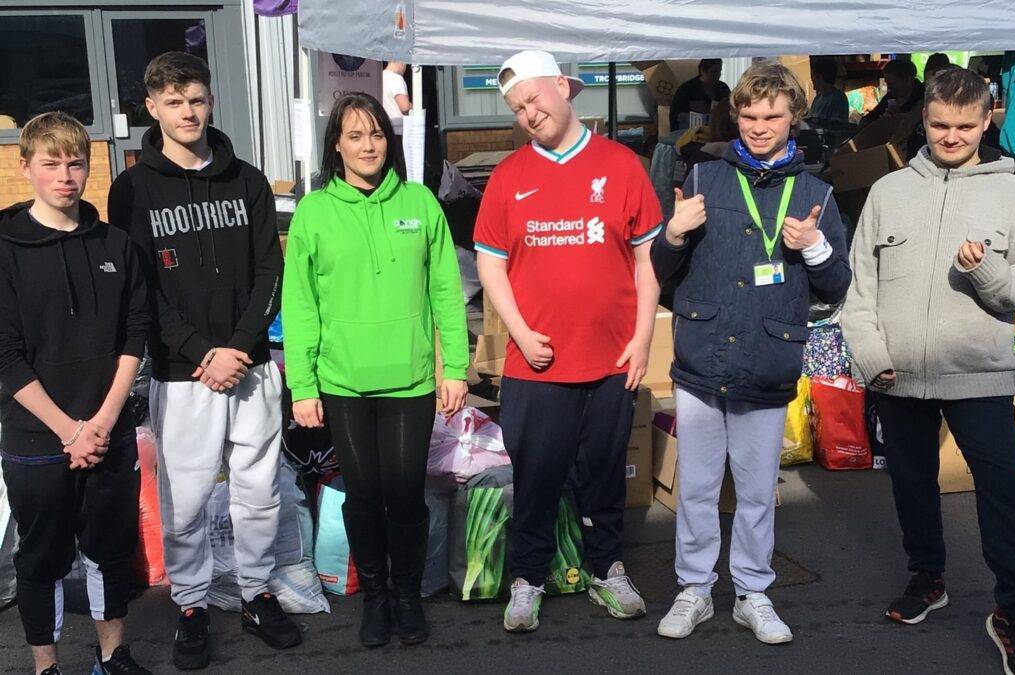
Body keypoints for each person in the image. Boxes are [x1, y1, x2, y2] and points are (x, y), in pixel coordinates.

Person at [842, 67, 1015, 675]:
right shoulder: (888, 193)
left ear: (988, 121)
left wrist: (986, 271)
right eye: (939, 125)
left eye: (965, 125)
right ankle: (927, 577)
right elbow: (861, 290)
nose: (951, 136)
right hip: (897, 376)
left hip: (978, 376)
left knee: (1004, 496)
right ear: (923, 121)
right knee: (911, 485)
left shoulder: (1013, 194)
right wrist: (874, 360)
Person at [107, 51, 301, 670]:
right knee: (186, 498)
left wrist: (239, 349)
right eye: (174, 102)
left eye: (196, 99)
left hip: (249, 366)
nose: (187, 112)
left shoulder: (246, 180)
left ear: (210, 101)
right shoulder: (133, 188)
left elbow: (270, 268)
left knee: (259, 490)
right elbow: (139, 288)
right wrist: (199, 352)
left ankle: (256, 592)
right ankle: (190, 604)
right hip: (181, 372)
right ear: (152, 108)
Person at [651, 62, 851, 643]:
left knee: (759, 489)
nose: (759, 126)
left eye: (772, 116)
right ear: (734, 116)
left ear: (794, 119)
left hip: (768, 357)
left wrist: (814, 249)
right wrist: (673, 234)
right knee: (695, 486)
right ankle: (693, 588)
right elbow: (660, 275)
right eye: (749, 115)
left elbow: (837, 287)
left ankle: (752, 592)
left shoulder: (815, 194)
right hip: (702, 357)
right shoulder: (704, 178)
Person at [474, 49, 662, 633]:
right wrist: (522, 333)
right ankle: (527, 578)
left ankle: (607, 568)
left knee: (604, 474)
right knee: (536, 476)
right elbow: (490, 265)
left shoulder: (621, 164)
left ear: (562, 86)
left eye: (534, 98)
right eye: (517, 108)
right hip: (536, 363)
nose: (529, 113)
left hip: (609, 358)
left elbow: (646, 258)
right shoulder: (509, 177)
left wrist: (643, 335)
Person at [283, 92, 469, 647]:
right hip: (343, 384)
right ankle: (379, 597)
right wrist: (303, 384)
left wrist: (454, 367)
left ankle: (408, 595)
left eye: (377, 135)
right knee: (362, 496)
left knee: (406, 494)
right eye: (355, 135)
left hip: (411, 380)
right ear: (335, 145)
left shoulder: (419, 202)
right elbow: (300, 305)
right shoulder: (314, 212)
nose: (369, 146)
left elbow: (447, 292)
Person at [0, 112, 151, 674]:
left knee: (111, 550)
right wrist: (68, 430)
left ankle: (113, 654)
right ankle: (46, 665)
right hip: (37, 434)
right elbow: (5, 355)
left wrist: (102, 424)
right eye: (51, 163)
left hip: (106, 429)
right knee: (40, 558)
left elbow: (134, 336)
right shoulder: (6, 247)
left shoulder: (115, 243)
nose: (66, 175)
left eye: (76, 162)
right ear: (26, 168)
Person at [860, 58, 924, 127]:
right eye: (887, 84)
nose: (889, 88)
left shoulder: (923, 96)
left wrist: (899, 117)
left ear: (908, 80)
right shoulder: (890, 96)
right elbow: (871, 117)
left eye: (892, 84)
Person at [670, 58, 726, 132]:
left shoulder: (723, 88)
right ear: (702, 70)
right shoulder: (687, 89)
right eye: (713, 72)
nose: (717, 75)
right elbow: (675, 115)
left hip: (717, 132)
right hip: (690, 132)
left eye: (719, 71)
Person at [808, 57, 850, 126]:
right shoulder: (817, 98)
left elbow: (836, 127)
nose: (812, 79)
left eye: (813, 76)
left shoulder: (838, 99)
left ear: (820, 77)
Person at [382, 61, 412, 136]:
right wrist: (416, 108)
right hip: (399, 131)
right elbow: (405, 107)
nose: (405, 68)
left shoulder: (380, 76)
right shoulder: (396, 78)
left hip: (384, 128)